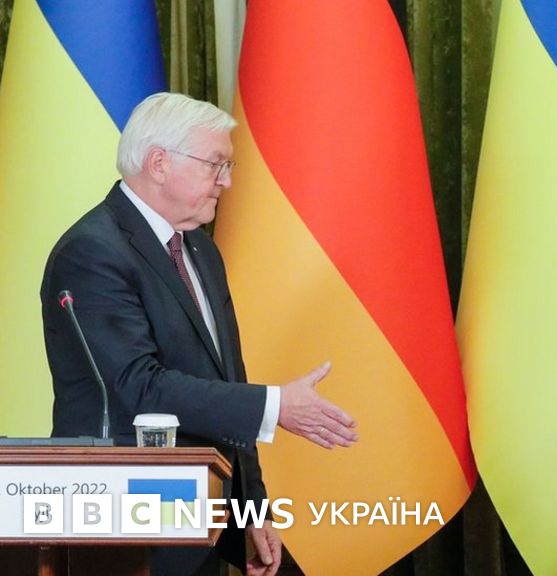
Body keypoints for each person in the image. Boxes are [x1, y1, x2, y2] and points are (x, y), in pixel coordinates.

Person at [41, 92, 358, 576]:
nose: (227, 181)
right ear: (159, 163)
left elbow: (227, 379)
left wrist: (252, 508)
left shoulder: (200, 250)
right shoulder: (92, 252)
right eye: (216, 164)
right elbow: (138, 387)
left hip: (204, 514)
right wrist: (275, 406)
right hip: (123, 519)